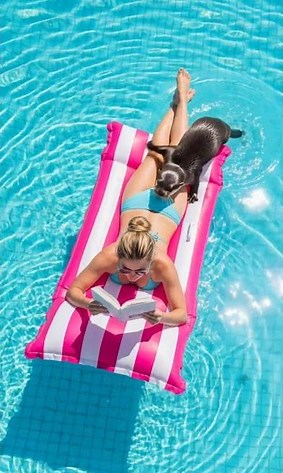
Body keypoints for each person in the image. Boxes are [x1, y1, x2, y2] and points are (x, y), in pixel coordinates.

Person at [66, 68, 195, 326]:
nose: (132, 275)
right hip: (144, 204)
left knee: (175, 155)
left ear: (151, 262)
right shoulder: (110, 256)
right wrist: (88, 304)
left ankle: (180, 98)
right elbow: (73, 292)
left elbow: (181, 314)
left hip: (162, 208)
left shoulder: (161, 265)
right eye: (125, 268)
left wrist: (162, 317)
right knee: (159, 156)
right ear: (119, 257)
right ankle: (176, 103)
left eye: (139, 271)